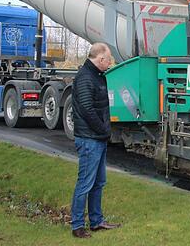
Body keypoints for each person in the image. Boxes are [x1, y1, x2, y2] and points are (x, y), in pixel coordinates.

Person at [70, 43, 121, 238]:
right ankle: (77, 225)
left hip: (97, 138)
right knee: (85, 182)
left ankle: (96, 221)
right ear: (100, 59)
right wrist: (103, 130)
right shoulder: (85, 78)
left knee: (99, 182)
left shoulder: (96, 76)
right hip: (89, 139)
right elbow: (87, 110)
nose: (110, 64)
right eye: (108, 60)